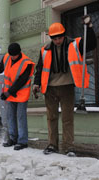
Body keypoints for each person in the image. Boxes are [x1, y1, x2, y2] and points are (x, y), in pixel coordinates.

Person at [32, 16, 96, 156]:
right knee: (52, 117)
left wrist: (89, 27)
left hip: (67, 86)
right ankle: (52, 145)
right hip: (50, 88)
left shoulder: (74, 44)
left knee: (67, 118)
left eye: (59, 37)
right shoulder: (45, 50)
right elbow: (40, 68)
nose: (57, 41)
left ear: (63, 35)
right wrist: (36, 83)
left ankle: (68, 147)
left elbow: (91, 44)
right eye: (54, 38)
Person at [0, 43, 35, 150]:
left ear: (19, 52)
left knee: (20, 117)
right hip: (10, 93)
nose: (12, 57)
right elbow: (1, 67)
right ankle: (13, 139)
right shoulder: (7, 57)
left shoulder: (26, 62)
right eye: (11, 55)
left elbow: (21, 81)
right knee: (10, 116)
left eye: (14, 55)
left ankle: (22, 141)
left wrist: (8, 92)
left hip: (21, 94)